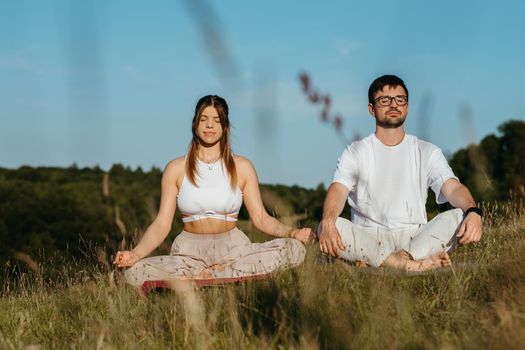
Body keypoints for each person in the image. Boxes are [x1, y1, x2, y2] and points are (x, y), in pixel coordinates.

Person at [114, 95, 313, 290]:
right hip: (188, 254)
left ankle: (210, 278)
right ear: (195, 124)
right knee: (134, 273)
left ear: (225, 126)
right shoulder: (175, 169)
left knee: (294, 250)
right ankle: (218, 278)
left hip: (234, 251)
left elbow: (261, 218)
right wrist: (135, 254)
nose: (210, 125)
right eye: (204, 119)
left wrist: (292, 232)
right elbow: (161, 224)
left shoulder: (242, 167)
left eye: (217, 120)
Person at [318, 75, 482, 272]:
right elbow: (338, 189)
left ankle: (396, 261)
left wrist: (474, 212)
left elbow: (452, 187)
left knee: (461, 215)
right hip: (370, 237)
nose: (393, 104)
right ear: (372, 109)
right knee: (327, 225)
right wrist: (328, 221)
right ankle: (412, 266)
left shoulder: (426, 150)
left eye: (400, 99)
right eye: (384, 100)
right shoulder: (355, 151)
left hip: (416, 237)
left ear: (407, 106)